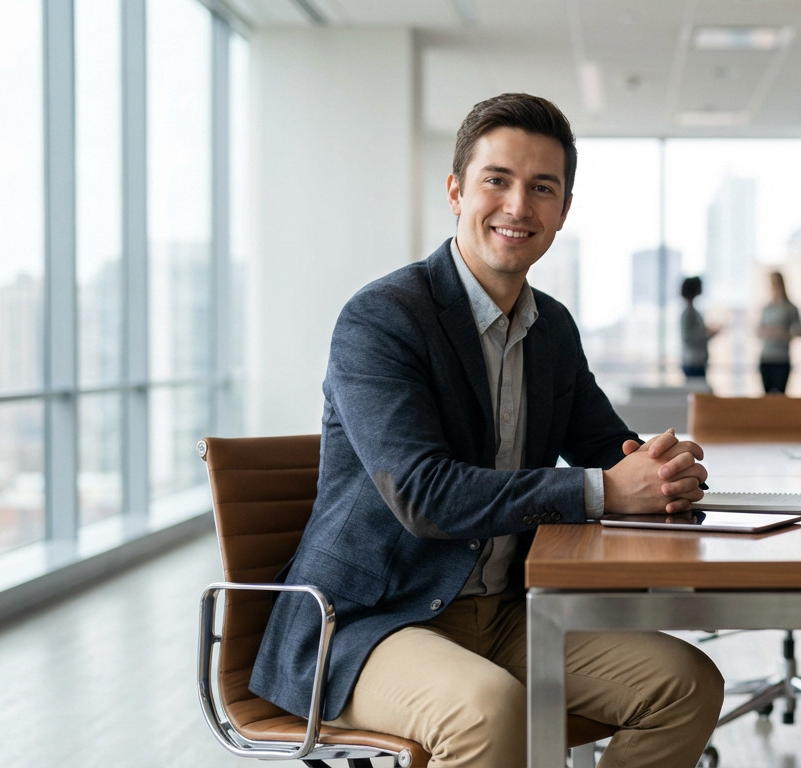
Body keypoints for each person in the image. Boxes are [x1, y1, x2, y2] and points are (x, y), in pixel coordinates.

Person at [249, 93, 724, 768]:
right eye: (496, 181)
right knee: (489, 711)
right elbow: (425, 494)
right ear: (456, 191)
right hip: (370, 621)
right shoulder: (382, 319)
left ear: (562, 211)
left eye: (542, 188)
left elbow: (604, 448)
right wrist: (606, 491)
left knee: (685, 684)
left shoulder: (551, 327)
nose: (518, 207)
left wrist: (660, 469)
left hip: (504, 612)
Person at [756, 271, 801, 394]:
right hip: (766, 357)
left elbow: (797, 331)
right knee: (766, 396)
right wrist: (769, 332)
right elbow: (759, 331)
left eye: (776, 281)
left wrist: (780, 332)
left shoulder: (791, 308)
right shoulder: (766, 307)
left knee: (780, 396)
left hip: (782, 357)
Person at [679, 275, 719, 381]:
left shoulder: (693, 311)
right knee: (697, 391)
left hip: (698, 361)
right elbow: (688, 337)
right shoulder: (688, 313)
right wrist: (706, 333)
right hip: (693, 362)